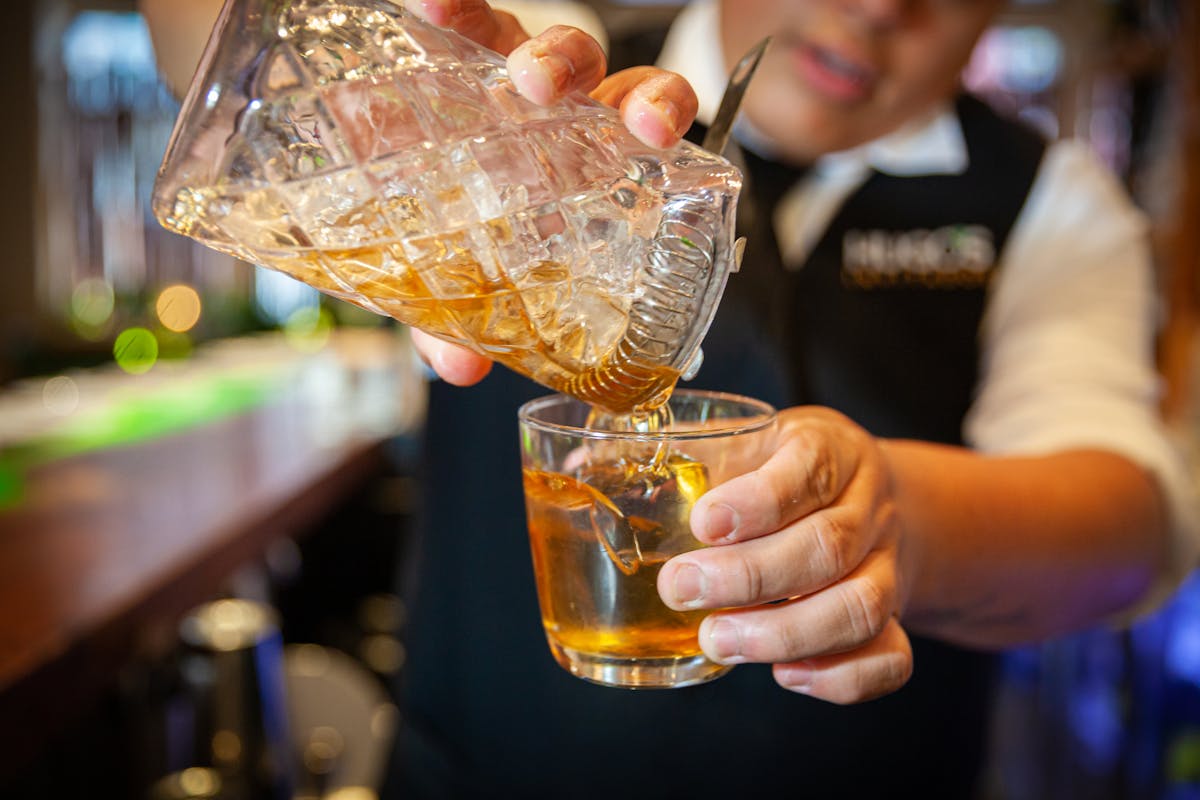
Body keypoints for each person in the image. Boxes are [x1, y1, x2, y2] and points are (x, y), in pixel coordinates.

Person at [392, 0, 1198, 797]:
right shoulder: (545, 90)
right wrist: (423, 131)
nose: (881, 6)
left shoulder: (1047, 198)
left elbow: (1127, 534)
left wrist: (899, 519)